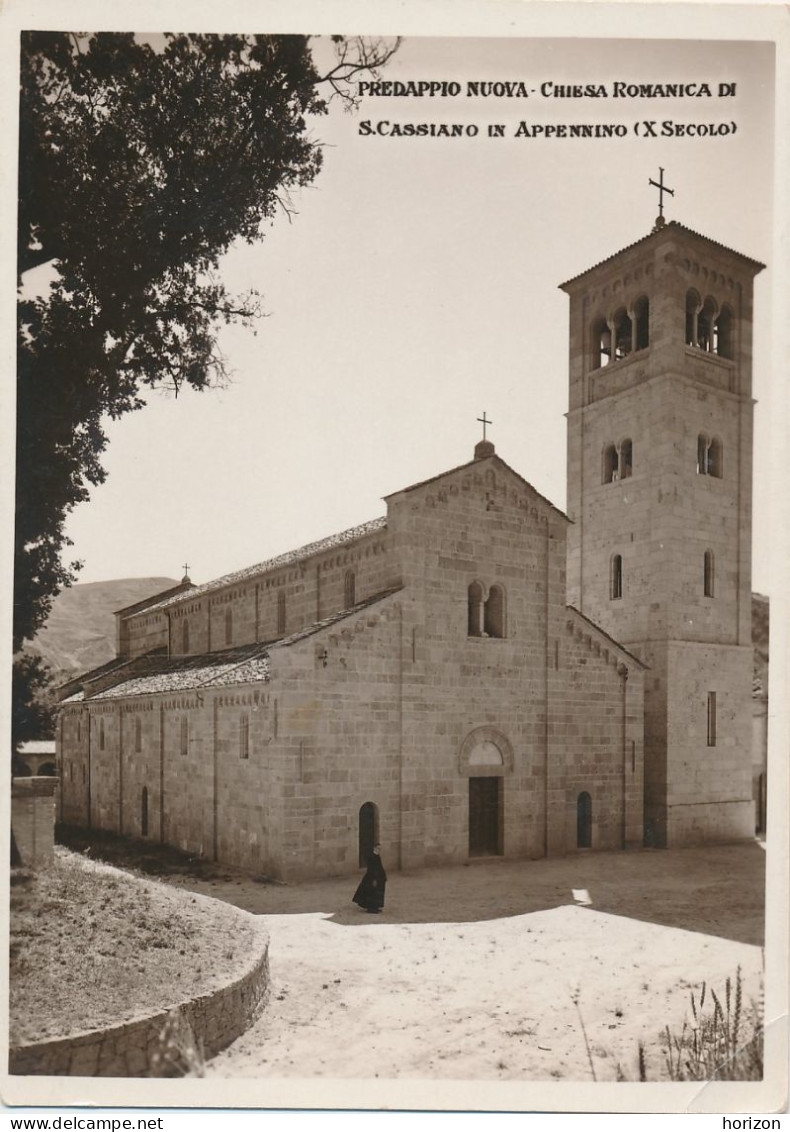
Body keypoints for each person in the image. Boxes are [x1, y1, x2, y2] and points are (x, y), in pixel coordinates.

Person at [352, 844, 387, 913]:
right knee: (371, 893)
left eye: (380, 849)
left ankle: (376, 907)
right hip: (372, 877)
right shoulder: (371, 856)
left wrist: (383, 876)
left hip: (378, 877)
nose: (379, 850)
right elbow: (371, 868)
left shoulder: (377, 856)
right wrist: (374, 879)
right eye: (378, 848)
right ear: (374, 848)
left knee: (377, 893)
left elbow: (379, 867)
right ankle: (371, 908)